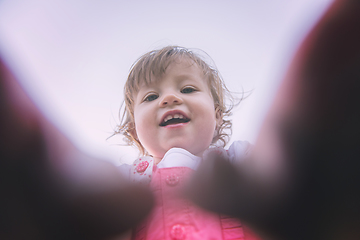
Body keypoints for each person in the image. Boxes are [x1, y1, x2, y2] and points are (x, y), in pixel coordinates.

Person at [114, 46, 260, 240]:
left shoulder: (238, 161)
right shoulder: (128, 182)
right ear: (134, 130)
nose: (169, 98)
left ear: (217, 116)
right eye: (151, 97)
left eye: (187, 89)